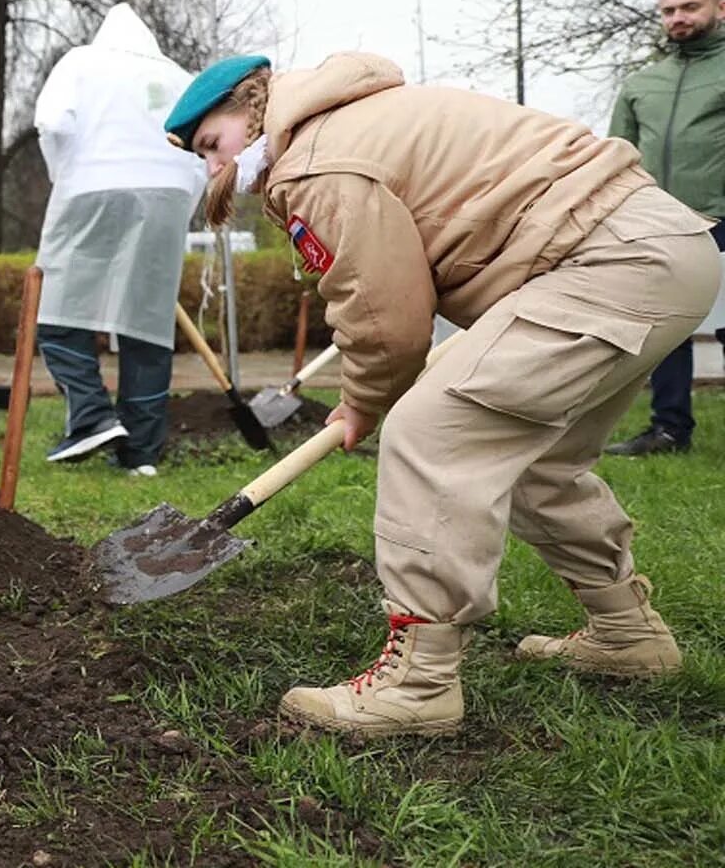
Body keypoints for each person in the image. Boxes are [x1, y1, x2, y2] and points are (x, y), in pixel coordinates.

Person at [167, 51, 715, 737]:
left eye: (212, 146)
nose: (215, 169)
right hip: (662, 251)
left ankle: (419, 683)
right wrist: (370, 385)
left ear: (249, 106)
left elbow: (385, 318)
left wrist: (366, 399)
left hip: (609, 261)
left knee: (434, 431)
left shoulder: (316, 159)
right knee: (539, 460)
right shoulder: (344, 123)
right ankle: (627, 632)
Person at [31, 4, 202, 473]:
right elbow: (201, 153)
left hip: (92, 186)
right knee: (146, 323)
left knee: (58, 309)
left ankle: (90, 417)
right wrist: (176, 214)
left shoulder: (81, 61)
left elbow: (53, 122)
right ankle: (140, 456)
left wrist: (63, 178)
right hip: (168, 196)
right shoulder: (179, 76)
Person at [604, 0, 725, 456]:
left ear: (720, 8)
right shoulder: (641, 84)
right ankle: (669, 430)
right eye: (669, 11)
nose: (678, 19)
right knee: (667, 327)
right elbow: (616, 156)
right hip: (665, 221)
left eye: (690, 8)